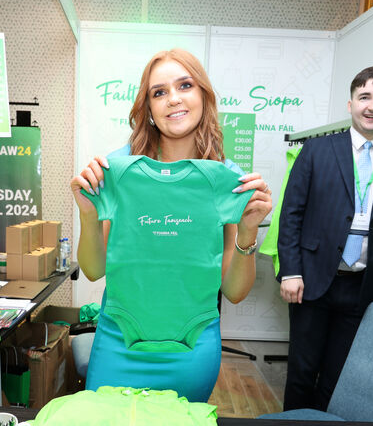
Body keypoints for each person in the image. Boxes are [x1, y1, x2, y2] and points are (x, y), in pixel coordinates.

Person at [69, 49, 272, 402]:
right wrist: (88, 213)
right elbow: (92, 269)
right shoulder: (119, 170)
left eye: (185, 85)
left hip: (191, 348)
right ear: (147, 107)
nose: (173, 99)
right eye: (159, 92)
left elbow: (235, 292)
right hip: (119, 343)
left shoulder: (228, 180)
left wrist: (248, 231)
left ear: (203, 96)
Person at [277, 65, 373, 411]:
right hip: (312, 281)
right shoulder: (317, 151)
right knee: (302, 372)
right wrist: (291, 271)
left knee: (339, 377)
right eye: (364, 96)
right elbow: (291, 215)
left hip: (365, 287)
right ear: (350, 104)